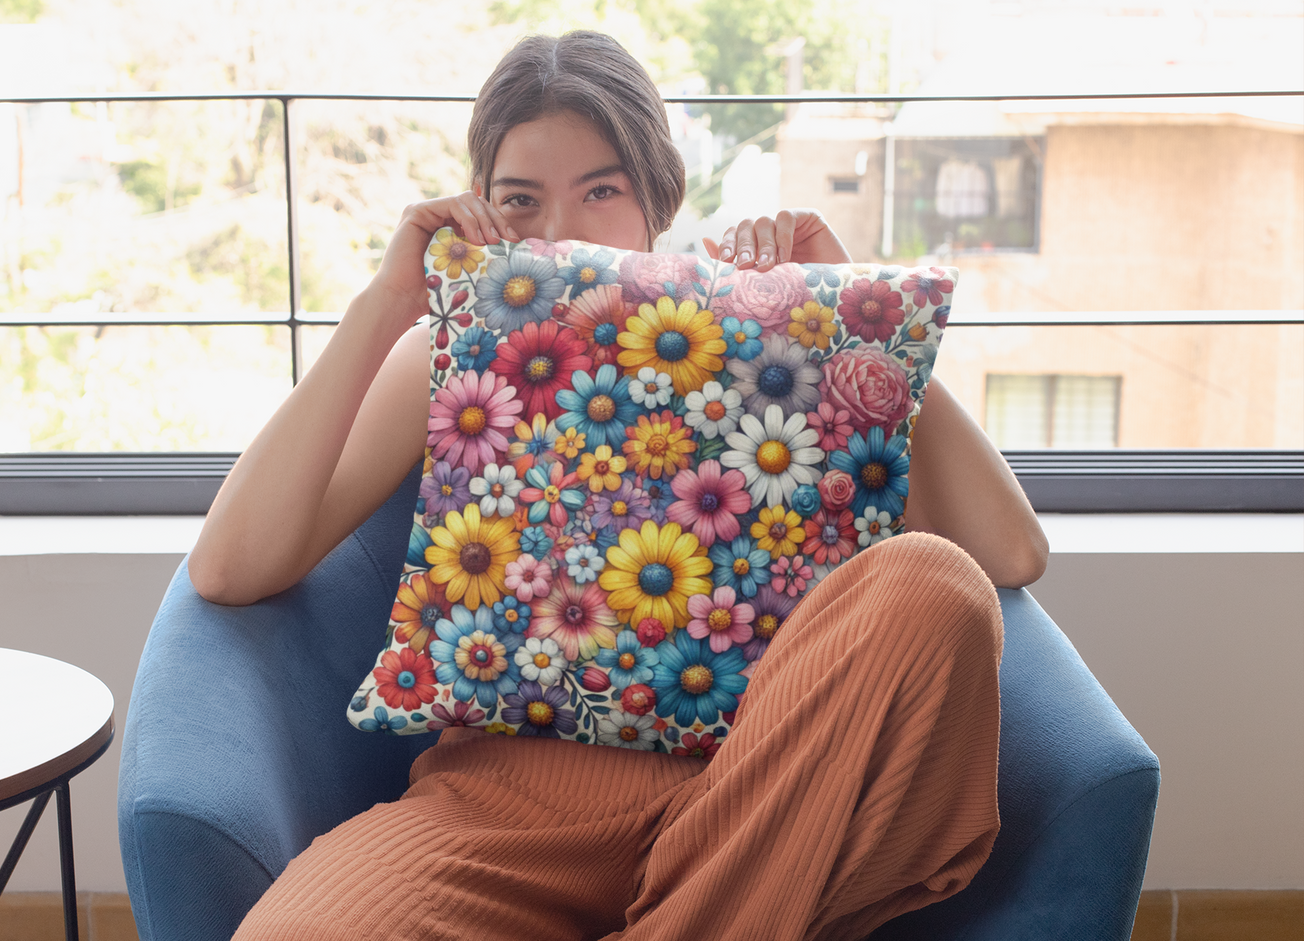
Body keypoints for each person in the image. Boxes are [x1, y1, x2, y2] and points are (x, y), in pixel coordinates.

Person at [192, 29, 1048, 941]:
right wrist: (382, 305)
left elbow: (1008, 551)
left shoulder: (777, 336)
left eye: (598, 191)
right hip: (497, 815)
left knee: (935, 581)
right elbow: (229, 569)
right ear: (479, 209)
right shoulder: (455, 351)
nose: (556, 232)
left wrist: (847, 313)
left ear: (657, 200)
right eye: (519, 201)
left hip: (756, 801)